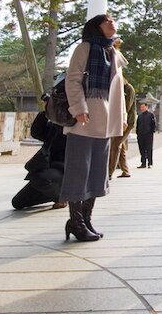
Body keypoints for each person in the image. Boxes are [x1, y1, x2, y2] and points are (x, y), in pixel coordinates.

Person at [60, 13, 126, 242]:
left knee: (98, 172)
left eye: (112, 19)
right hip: (85, 120)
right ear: (96, 27)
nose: (112, 22)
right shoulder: (85, 48)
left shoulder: (114, 52)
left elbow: (120, 91)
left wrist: (122, 116)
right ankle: (75, 221)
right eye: (106, 20)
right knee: (79, 171)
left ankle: (86, 218)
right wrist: (78, 108)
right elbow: (73, 79)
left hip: (106, 121)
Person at [13, 111, 67, 209]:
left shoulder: (77, 125)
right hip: (48, 168)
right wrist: (46, 111)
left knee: (41, 178)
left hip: (65, 171)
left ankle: (63, 197)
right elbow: (37, 133)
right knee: (18, 202)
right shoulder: (57, 124)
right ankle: (55, 192)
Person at [111, 80, 137, 177]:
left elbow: (127, 106)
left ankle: (109, 172)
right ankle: (125, 170)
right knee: (120, 146)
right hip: (120, 121)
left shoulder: (128, 89)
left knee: (116, 144)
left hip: (127, 121)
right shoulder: (120, 89)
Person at [136, 103, 157, 168]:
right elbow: (137, 125)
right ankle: (143, 163)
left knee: (149, 149)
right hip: (141, 135)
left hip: (148, 135)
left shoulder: (150, 115)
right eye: (141, 107)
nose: (141, 108)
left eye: (143, 107)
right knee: (142, 149)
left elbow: (153, 124)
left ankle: (149, 163)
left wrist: (151, 132)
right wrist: (138, 133)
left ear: (146, 107)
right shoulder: (140, 116)